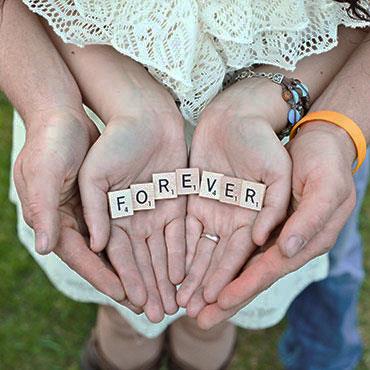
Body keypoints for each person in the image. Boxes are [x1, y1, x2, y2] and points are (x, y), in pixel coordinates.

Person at [0, 1, 369, 369]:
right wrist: (49, 108)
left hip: (276, 132)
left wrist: (334, 129)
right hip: (93, 108)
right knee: (125, 313)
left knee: (211, 315)